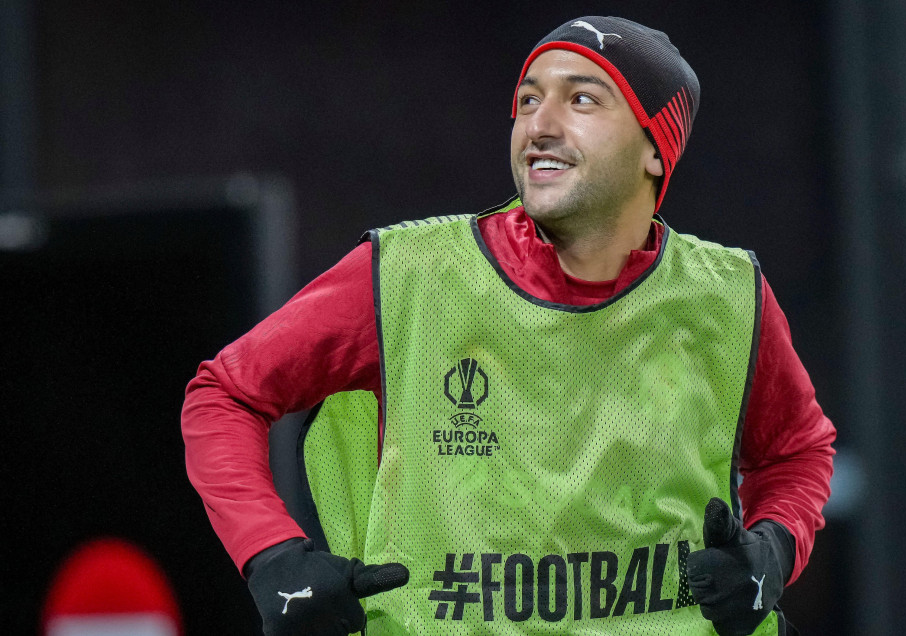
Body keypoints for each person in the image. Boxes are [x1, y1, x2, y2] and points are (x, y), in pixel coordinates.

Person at [182, 16, 835, 636]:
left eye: (582, 100)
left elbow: (797, 452)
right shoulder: (407, 274)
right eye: (527, 101)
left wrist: (772, 549)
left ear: (655, 150)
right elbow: (225, 393)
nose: (539, 125)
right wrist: (272, 555)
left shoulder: (726, 295)